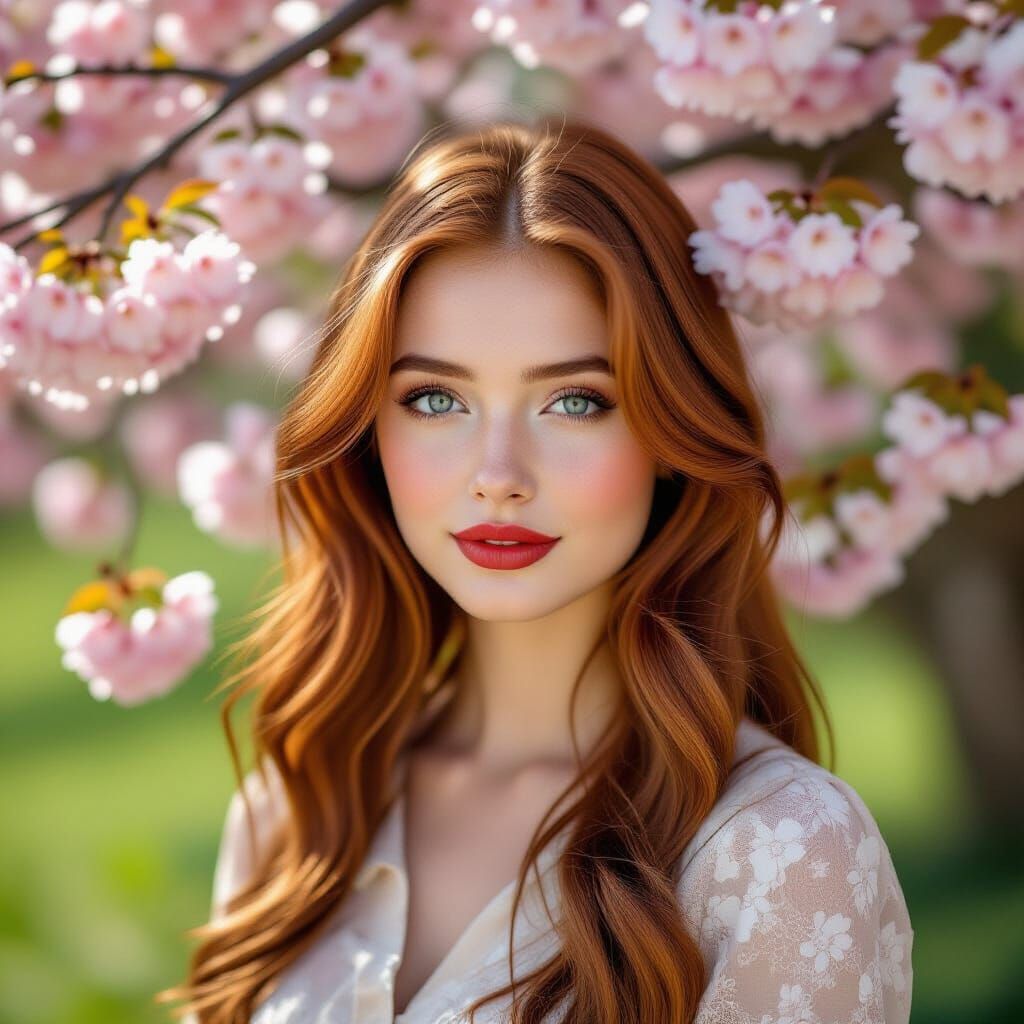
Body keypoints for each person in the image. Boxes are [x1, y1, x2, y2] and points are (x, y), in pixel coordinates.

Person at [158, 118, 914, 1024]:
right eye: (436, 399)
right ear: (369, 430)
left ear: (671, 432)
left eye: (576, 401)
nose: (499, 477)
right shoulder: (294, 812)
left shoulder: (779, 852)